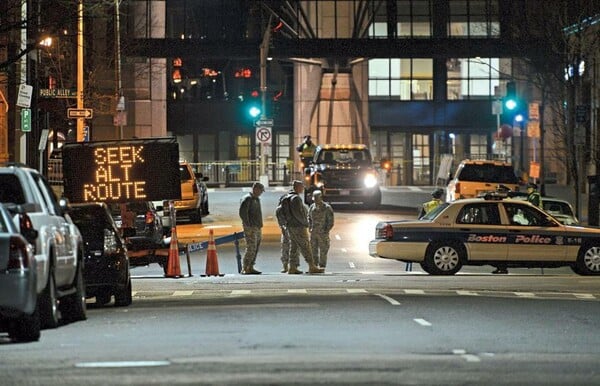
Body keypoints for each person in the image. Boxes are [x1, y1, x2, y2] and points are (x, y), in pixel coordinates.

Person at [285, 180, 324, 274]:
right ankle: (312, 266)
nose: (303, 189)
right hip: (298, 226)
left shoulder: (288, 197)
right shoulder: (296, 199)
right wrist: (305, 223)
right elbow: (298, 214)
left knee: (294, 247)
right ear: (297, 187)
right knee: (306, 246)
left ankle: (292, 267)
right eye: (302, 187)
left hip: (291, 226)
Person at [238, 181, 264, 274]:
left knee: (255, 247)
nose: (261, 193)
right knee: (251, 247)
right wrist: (248, 224)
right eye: (260, 190)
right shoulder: (248, 199)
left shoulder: (256, 199)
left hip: (257, 227)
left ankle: (251, 266)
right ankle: (246, 267)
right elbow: (243, 213)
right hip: (251, 227)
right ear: (255, 189)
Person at [308, 190, 334, 269]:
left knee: (323, 250)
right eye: (314, 198)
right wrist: (310, 227)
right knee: (313, 250)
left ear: (320, 198)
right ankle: (314, 266)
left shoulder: (327, 208)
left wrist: (326, 230)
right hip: (313, 233)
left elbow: (331, 221)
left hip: (323, 233)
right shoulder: (312, 207)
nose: (315, 200)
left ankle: (322, 266)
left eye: (317, 198)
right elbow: (309, 217)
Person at [275, 186, 295, 273]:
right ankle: (286, 266)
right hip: (287, 229)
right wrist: (283, 226)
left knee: (291, 248)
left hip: (292, 228)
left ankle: (291, 266)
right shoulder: (281, 207)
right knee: (286, 247)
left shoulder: (292, 205)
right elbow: (280, 218)